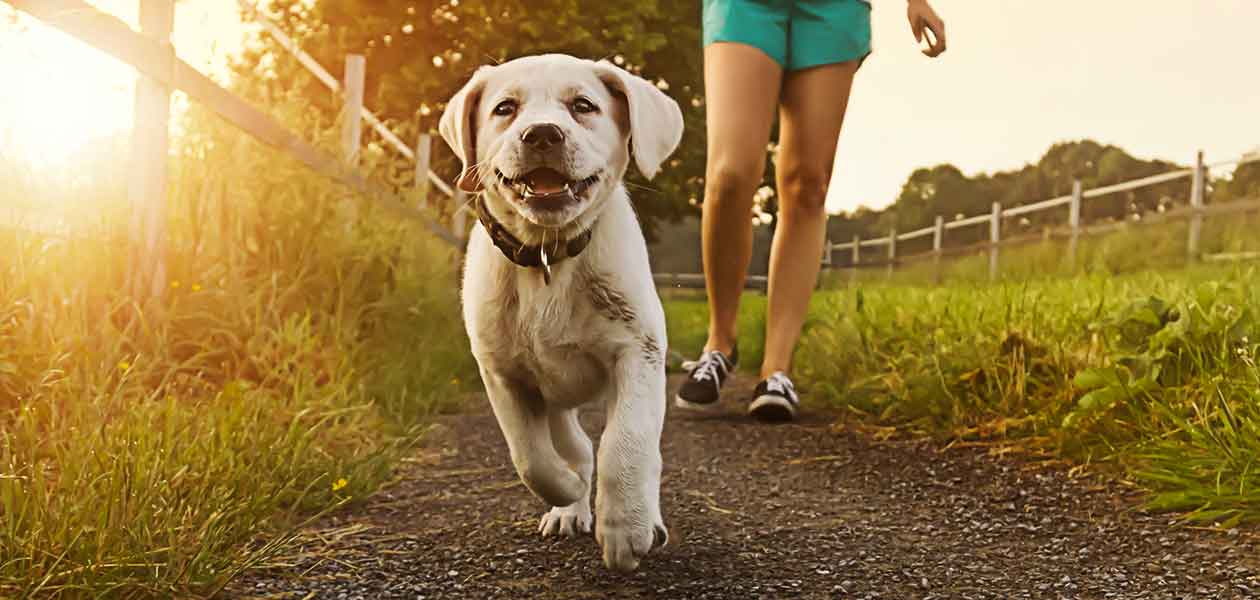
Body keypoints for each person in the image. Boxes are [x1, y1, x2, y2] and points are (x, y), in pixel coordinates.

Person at [676, 0, 947, 421]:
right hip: (745, 7)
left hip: (833, 10)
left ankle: (777, 370)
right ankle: (720, 342)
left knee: (808, 183)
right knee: (730, 173)